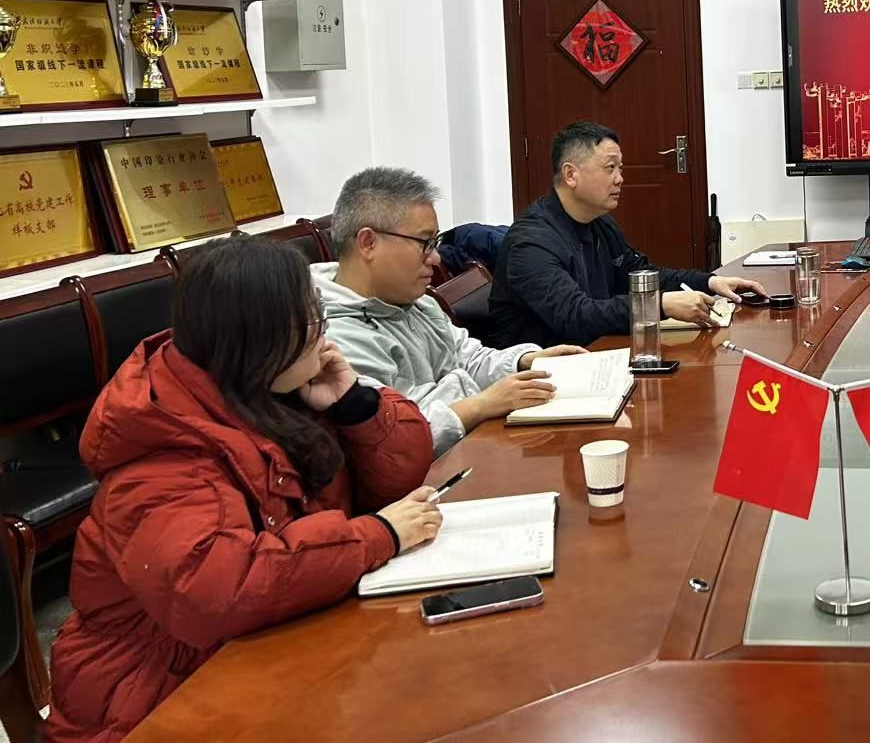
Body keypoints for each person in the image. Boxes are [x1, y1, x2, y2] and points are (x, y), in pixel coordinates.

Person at [45, 237, 440, 743]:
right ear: (260, 337)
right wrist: (377, 535)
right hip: (153, 696)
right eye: (312, 320)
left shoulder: (275, 392)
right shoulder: (164, 450)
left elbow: (398, 478)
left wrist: (354, 405)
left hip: (262, 644)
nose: (325, 335)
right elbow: (217, 591)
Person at [314, 167, 586, 456]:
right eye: (425, 243)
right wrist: (481, 404)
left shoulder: (416, 301)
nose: (436, 258)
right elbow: (396, 439)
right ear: (368, 243)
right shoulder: (333, 337)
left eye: (435, 243)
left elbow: (468, 358)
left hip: (470, 450)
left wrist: (527, 361)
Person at [483, 121, 768, 348]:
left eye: (620, 168)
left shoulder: (601, 225)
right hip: (545, 376)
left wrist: (710, 282)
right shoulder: (531, 242)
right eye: (610, 168)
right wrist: (658, 305)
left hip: (597, 354)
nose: (620, 178)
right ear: (570, 175)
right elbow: (575, 317)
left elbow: (644, 275)